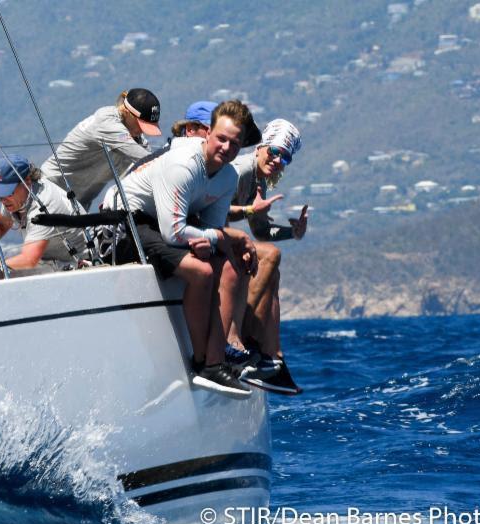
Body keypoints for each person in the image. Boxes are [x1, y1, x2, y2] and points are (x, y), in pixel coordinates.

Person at [101, 100, 259, 396]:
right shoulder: (182, 165)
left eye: (234, 144)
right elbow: (174, 234)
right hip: (126, 220)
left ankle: (216, 363)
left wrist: (215, 242)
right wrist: (214, 239)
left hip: (169, 222)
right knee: (200, 271)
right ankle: (200, 361)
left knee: (230, 271)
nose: (226, 147)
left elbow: (212, 228)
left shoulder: (227, 177)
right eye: (221, 139)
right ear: (207, 133)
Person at [227, 119, 307, 394]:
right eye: (274, 151)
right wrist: (249, 210)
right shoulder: (240, 170)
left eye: (285, 157)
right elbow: (207, 209)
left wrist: (292, 233)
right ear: (260, 147)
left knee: (272, 268)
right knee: (270, 255)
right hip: (198, 230)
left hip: (216, 232)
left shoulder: (258, 179)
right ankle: (235, 338)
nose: (277, 160)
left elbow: (261, 231)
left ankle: (273, 358)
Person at [40, 88, 162, 210]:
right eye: (140, 125)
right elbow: (148, 160)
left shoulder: (133, 139)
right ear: (127, 112)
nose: (141, 131)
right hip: (49, 190)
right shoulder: (107, 122)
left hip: (78, 204)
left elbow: (150, 167)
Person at [0, 154, 88, 271]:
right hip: (53, 262)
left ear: (27, 181)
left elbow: (29, 260)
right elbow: (0, 226)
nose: (2, 199)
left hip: (83, 264)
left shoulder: (44, 208)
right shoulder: (15, 199)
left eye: (7, 192)